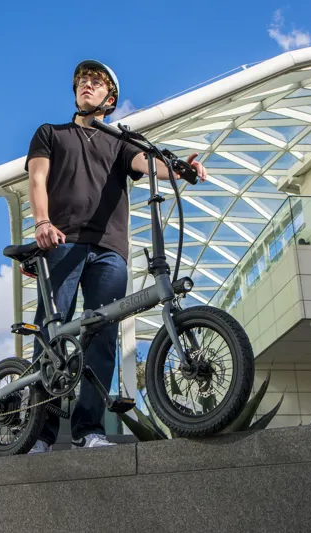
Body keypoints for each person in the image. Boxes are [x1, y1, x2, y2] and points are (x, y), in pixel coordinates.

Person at [24, 59, 207, 453]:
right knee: (52, 332)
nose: (86, 85)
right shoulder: (51, 133)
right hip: (63, 241)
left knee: (103, 335)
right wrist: (42, 222)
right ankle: (40, 432)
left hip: (110, 250)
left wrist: (179, 169)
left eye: (96, 82)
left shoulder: (120, 142)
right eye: (82, 80)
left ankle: (87, 430)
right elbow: (37, 179)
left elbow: (147, 163)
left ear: (110, 98)